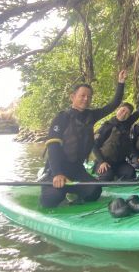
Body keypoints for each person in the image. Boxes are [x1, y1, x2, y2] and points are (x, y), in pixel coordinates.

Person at [39, 70, 126, 208]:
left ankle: (72, 193)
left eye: (89, 97)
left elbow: (113, 104)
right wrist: (57, 174)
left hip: (77, 169)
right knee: (52, 199)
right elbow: (53, 146)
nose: (86, 99)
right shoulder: (62, 117)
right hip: (58, 168)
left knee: (95, 191)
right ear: (72, 97)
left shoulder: (91, 115)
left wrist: (121, 82)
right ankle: (51, 185)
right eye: (82, 95)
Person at [92, 83, 139, 181]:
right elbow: (94, 145)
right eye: (123, 110)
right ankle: (102, 176)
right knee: (107, 177)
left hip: (119, 162)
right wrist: (102, 162)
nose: (124, 113)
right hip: (104, 161)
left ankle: (117, 176)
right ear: (118, 109)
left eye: (127, 113)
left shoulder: (127, 123)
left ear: (129, 116)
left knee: (131, 173)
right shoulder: (107, 126)